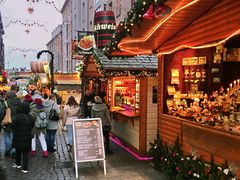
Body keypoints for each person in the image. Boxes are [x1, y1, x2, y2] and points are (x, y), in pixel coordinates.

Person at [11, 102, 34, 173]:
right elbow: (32, 125)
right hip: (27, 137)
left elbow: (13, 126)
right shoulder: (30, 116)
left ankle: (18, 164)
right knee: (25, 153)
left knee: (18, 150)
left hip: (18, 136)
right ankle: (25, 168)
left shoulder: (16, 117)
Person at [2, 90, 21, 158]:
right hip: (17, 122)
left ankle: (7, 151)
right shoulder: (19, 101)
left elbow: (2, 113)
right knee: (14, 137)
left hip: (7, 121)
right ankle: (14, 152)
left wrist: (2, 121)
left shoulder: (6, 103)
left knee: (7, 136)